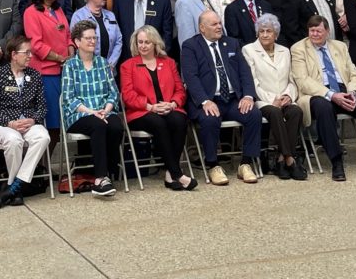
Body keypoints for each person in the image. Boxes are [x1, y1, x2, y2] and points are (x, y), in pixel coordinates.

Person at [289, 15, 356, 180]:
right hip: (317, 93)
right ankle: (336, 161)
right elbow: (302, 81)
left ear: (327, 31)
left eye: (318, 31)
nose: (314, 34)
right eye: (312, 31)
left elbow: (354, 73)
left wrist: (352, 92)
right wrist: (332, 95)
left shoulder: (340, 46)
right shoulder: (298, 48)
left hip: (344, 90)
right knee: (324, 108)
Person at [180, 11, 261, 185]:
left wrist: (248, 96)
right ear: (202, 28)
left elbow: (244, 72)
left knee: (253, 114)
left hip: (232, 99)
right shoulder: (190, 46)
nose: (219, 27)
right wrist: (205, 101)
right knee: (209, 119)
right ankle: (213, 165)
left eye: (219, 23)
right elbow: (191, 77)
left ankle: (246, 163)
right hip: (207, 100)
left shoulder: (231, 43)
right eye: (214, 24)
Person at [120, 27, 197, 191]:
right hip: (141, 112)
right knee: (159, 123)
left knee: (179, 120)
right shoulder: (128, 66)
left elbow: (180, 90)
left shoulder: (169, 62)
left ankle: (170, 173)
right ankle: (177, 173)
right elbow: (128, 95)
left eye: (147, 42)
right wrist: (150, 107)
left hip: (168, 108)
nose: (143, 46)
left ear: (155, 43)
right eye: (140, 42)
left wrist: (173, 104)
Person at [0, 35, 51, 207]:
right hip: (3, 125)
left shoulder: (34, 75)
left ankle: (14, 187)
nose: (30, 56)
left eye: (31, 52)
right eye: (26, 52)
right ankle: (16, 189)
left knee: (43, 137)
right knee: (14, 140)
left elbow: (42, 107)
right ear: (14, 55)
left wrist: (33, 119)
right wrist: (10, 123)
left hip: (28, 123)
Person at [59, 21, 124, 197]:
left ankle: (109, 170)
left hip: (104, 111)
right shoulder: (70, 66)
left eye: (94, 38)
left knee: (116, 126)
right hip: (80, 114)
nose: (93, 41)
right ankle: (100, 179)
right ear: (77, 42)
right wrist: (91, 112)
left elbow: (113, 92)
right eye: (88, 38)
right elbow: (69, 98)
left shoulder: (103, 63)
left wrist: (106, 109)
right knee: (98, 125)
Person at [239, 14, 306, 179]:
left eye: (269, 31)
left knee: (296, 112)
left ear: (276, 34)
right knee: (275, 112)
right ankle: (290, 159)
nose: (265, 34)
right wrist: (272, 100)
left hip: (285, 97)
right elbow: (252, 81)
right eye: (261, 31)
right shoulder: (248, 50)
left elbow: (292, 79)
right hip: (263, 100)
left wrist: (288, 95)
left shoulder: (285, 51)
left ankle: (281, 158)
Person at [22, 0, 70, 130]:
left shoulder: (58, 9)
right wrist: (59, 58)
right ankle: (48, 147)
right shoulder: (31, 12)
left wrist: (70, 54)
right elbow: (36, 45)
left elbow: (68, 35)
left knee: (64, 118)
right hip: (46, 73)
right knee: (53, 119)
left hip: (64, 71)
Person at [69, 0, 123, 69]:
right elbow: (77, 42)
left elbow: (119, 40)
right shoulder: (79, 16)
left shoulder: (110, 15)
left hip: (110, 69)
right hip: (88, 69)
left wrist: (111, 64)